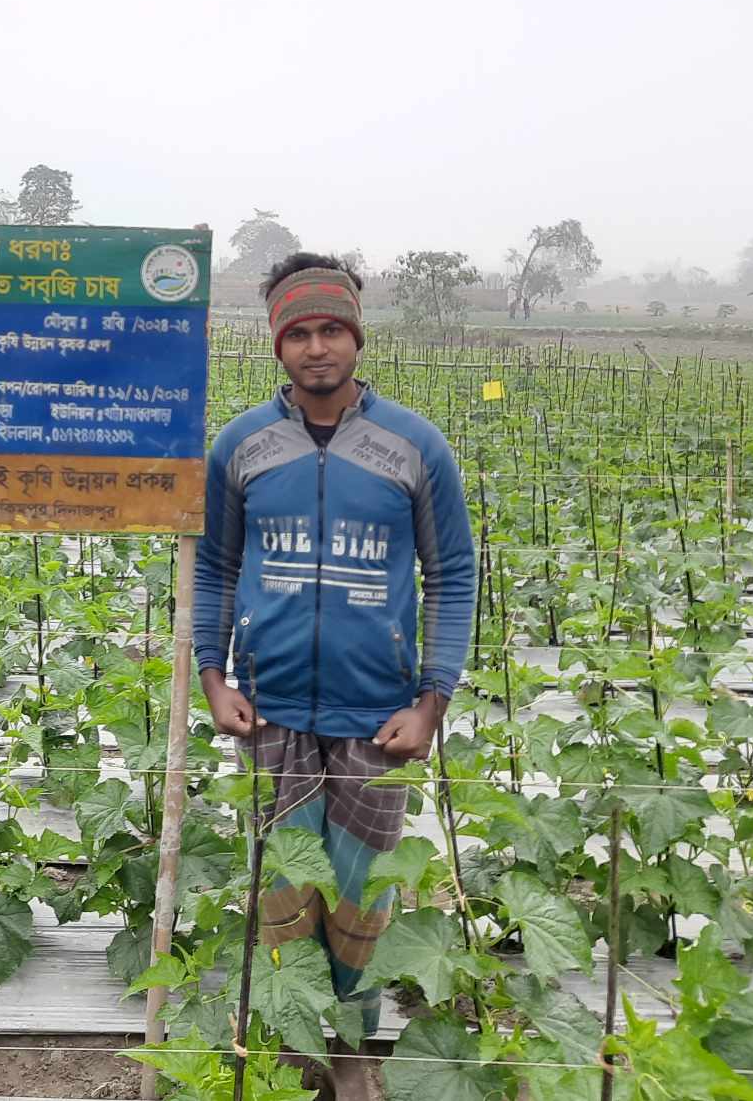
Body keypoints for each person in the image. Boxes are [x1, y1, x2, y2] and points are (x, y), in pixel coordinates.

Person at [194, 253, 476, 1100]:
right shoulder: (243, 447)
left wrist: (432, 699)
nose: (317, 348)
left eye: (332, 330)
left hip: (376, 713)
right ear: (277, 346)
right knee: (284, 881)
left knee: (359, 887)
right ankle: (291, 1034)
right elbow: (214, 567)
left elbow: (452, 573)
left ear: (356, 336)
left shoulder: (414, 448)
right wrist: (214, 676)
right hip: (271, 705)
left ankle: (351, 1040)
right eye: (300, 334)